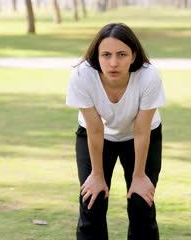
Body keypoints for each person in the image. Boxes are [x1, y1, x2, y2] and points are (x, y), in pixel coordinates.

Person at [66, 23, 166, 240]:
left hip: (142, 137)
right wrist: (97, 174)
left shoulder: (149, 77)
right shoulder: (82, 76)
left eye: (121, 54)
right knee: (93, 199)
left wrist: (139, 176)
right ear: (96, 56)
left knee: (141, 202)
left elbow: (141, 130)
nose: (113, 62)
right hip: (96, 137)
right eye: (106, 54)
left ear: (133, 56)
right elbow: (94, 129)